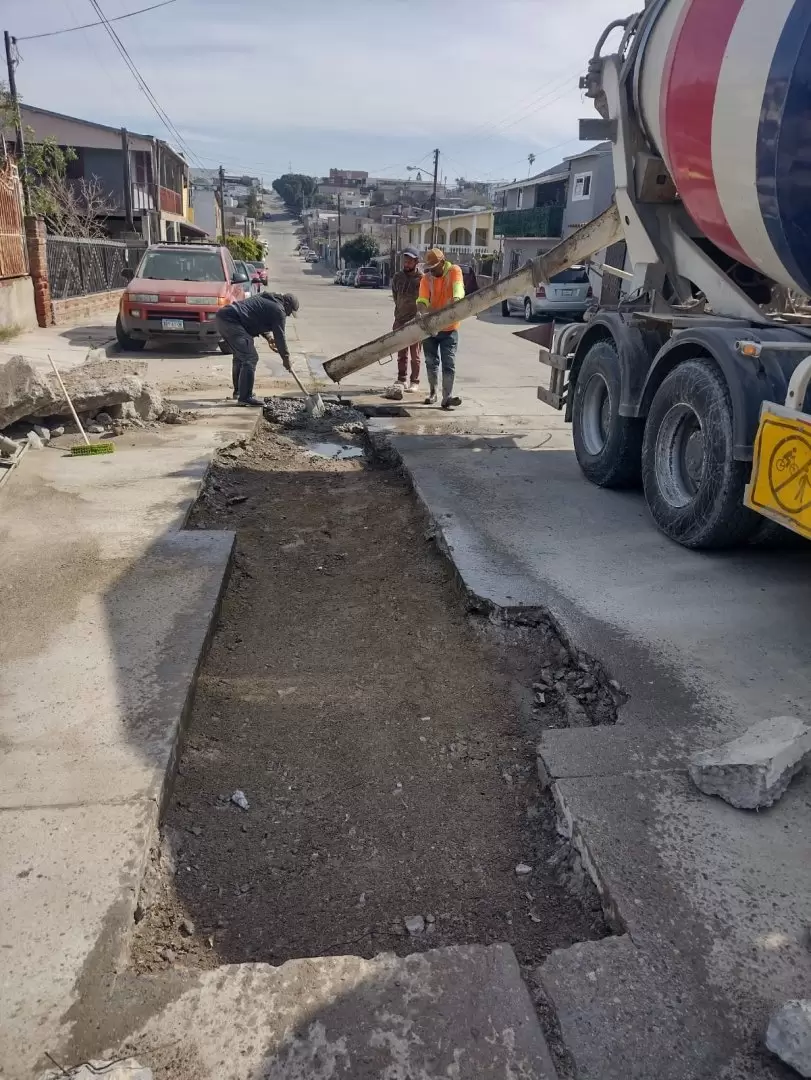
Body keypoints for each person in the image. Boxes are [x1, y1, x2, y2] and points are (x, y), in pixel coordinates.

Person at [215, 291, 299, 407]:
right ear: (287, 305)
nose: (288, 315)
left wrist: (269, 337)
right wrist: (286, 359)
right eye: (290, 312)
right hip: (232, 321)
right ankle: (245, 397)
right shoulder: (279, 310)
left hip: (224, 317)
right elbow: (280, 337)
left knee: (241, 357)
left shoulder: (269, 300)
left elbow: (255, 316)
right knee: (250, 358)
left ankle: (240, 392)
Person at [416, 247, 465, 409]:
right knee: (431, 362)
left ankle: (447, 396)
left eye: (434, 268)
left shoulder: (454, 271)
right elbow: (422, 300)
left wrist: (456, 302)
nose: (431, 271)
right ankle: (432, 393)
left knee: (448, 363)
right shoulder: (426, 278)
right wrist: (423, 311)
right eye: (429, 268)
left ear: (442, 263)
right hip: (430, 328)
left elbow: (459, 290)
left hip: (450, 328)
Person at [390, 245, 423, 393]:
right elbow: (396, 296)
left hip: (415, 321)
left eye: (410, 261)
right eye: (405, 260)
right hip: (400, 319)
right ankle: (401, 379)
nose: (407, 263)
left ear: (416, 261)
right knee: (401, 352)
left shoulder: (421, 279)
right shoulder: (398, 277)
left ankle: (414, 381)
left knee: (415, 355)